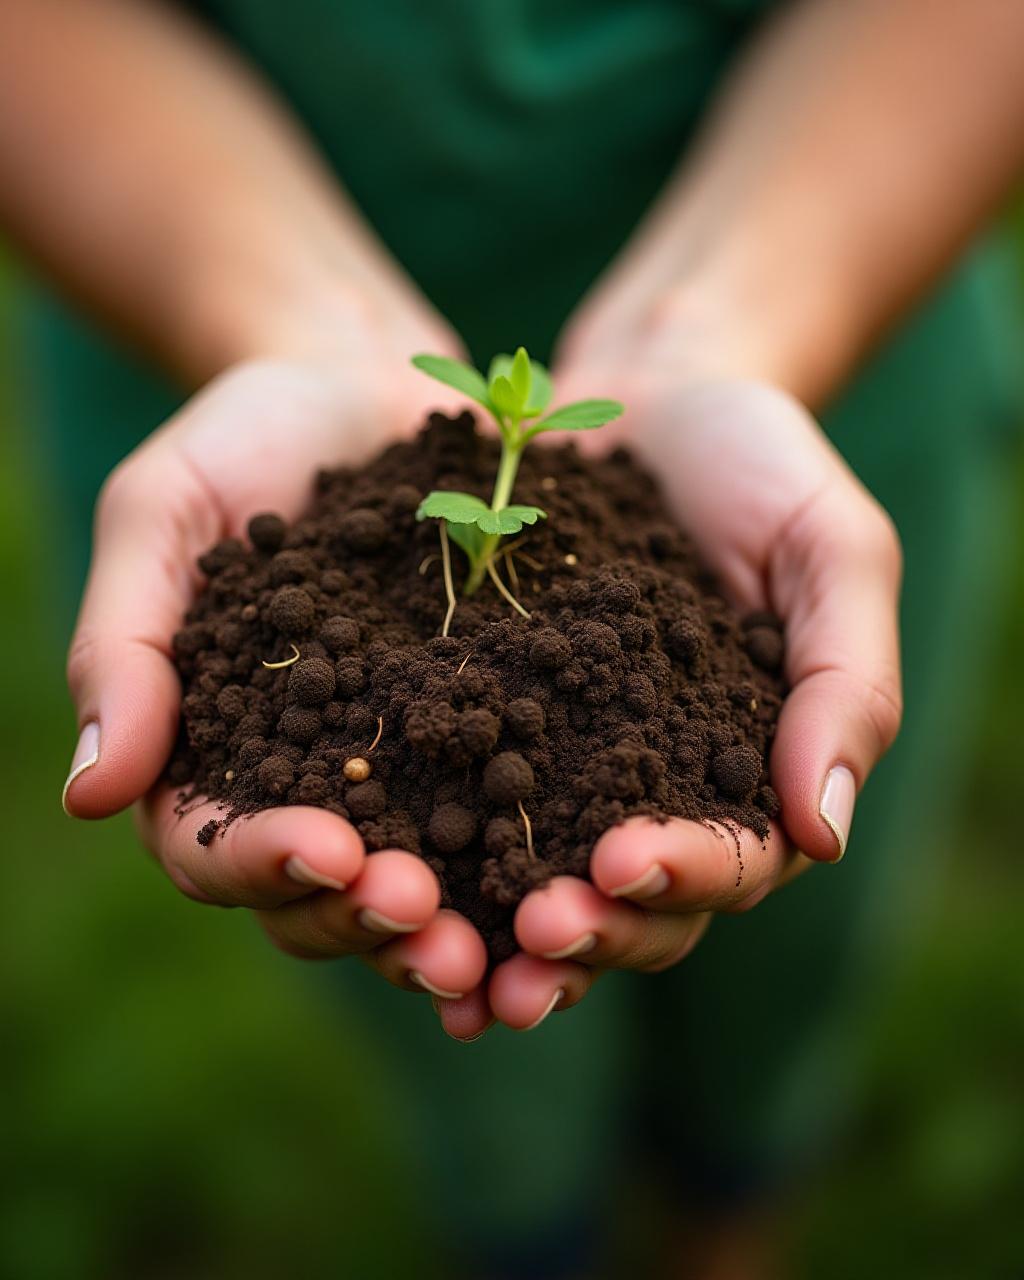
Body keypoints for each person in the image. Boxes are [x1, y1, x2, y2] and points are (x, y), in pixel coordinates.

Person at [3, 0, 1022, 1272]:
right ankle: (530, 1225)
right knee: (448, 1027)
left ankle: (729, 1209)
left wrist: (712, 337)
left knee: (795, 965)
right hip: (186, 269)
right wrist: (293, 327)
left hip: (835, 283)